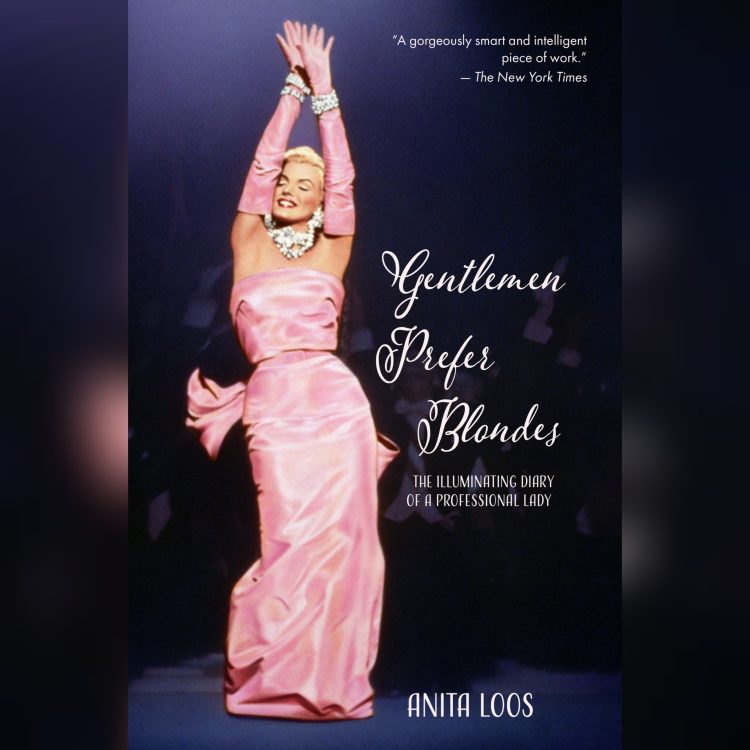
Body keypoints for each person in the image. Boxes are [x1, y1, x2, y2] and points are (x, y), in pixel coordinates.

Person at [185, 21, 398, 720]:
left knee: (344, 546)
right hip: (275, 400)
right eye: (285, 177)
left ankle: (333, 684)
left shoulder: (334, 248)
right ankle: (270, 681)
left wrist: (327, 94)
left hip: (336, 404)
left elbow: (345, 177)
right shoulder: (248, 241)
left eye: (306, 183)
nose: (289, 186)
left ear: (319, 199)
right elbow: (258, 168)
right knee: (287, 539)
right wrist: (291, 93)